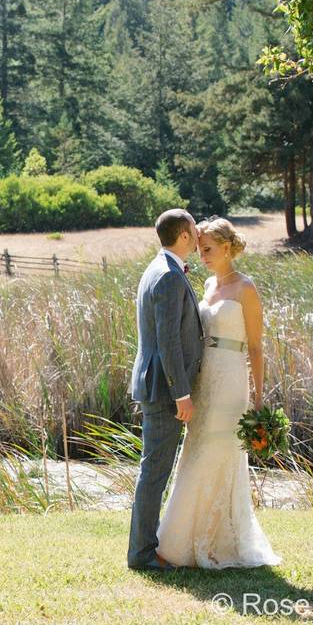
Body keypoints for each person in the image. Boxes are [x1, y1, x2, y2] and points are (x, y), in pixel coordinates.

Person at [154, 215, 282, 569]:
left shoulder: (246, 288)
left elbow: (256, 347)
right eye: (199, 249)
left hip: (230, 381)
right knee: (195, 452)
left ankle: (215, 542)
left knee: (218, 453)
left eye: (208, 249)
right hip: (203, 378)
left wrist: (257, 401)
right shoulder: (207, 284)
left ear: (227, 248)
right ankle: (180, 542)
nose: (203, 255)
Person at [127, 209, 204, 570]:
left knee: (153, 470)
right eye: (194, 228)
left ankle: (147, 547)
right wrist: (182, 394)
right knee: (154, 472)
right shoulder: (169, 276)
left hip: (157, 385)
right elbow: (169, 342)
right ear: (184, 236)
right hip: (164, 390)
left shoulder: (158, 268)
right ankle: (142, 555)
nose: (199, 233)